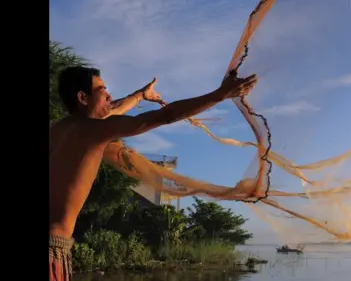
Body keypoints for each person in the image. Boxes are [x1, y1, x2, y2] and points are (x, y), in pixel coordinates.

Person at [49, 66, 257, 280]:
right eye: (102, 90)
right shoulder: (94, 130)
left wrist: (140, 95)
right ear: (83, 98)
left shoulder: (57, 130)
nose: (110, 95)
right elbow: (164, 116)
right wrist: (220, 94)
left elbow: (114, 109)